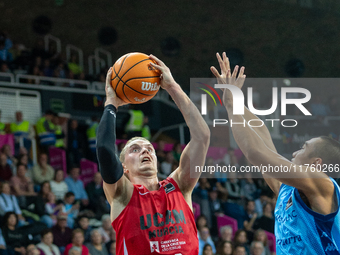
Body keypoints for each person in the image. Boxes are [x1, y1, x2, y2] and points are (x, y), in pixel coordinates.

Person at [211, 52, 340, 254]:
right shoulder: (286, 190)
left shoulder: (323, 184)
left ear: (316, 164)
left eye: (304, 147)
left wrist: (230, 105)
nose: (296, 151)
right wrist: (234, 99)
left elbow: (255, 152)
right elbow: (262, 134)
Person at [97, 55, 210, 254]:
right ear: (124, 167)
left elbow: (202, 136)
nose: (145, 151)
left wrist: (172, 87)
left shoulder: (180, 187)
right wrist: (111, 103)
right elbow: (105, 150)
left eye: (149, 148)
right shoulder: (123, 194)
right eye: (135, 149)